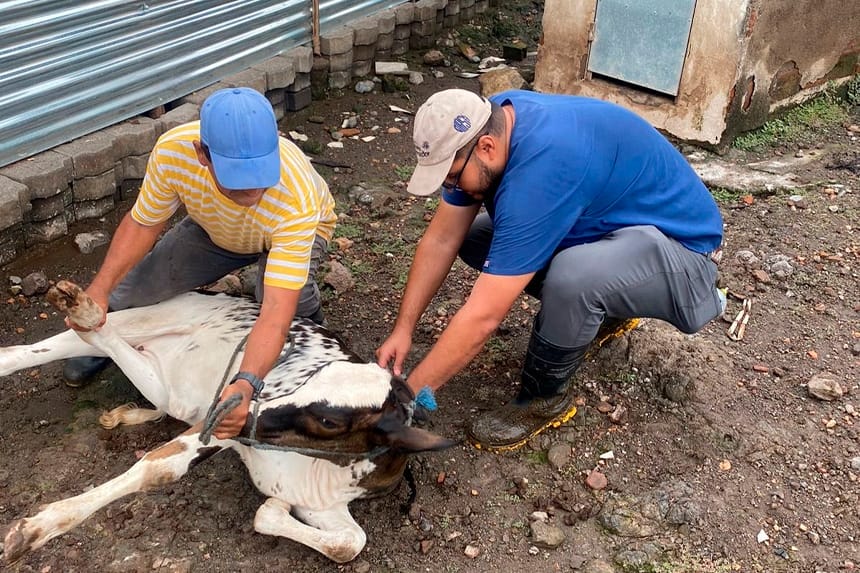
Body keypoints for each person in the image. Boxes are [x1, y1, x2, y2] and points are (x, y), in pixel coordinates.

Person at [376, 88, 724, 452]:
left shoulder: (542, 171)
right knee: (476, 238)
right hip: (619, 231)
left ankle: (542, 400)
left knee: (573, 278)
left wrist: (406, 397)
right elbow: (442, 239)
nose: (450, 188)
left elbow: (484, 317)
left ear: (487, 148)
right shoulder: (493, 119)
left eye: (451, 177)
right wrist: (404, 328)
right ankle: (599, 314)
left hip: (686, 257)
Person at [63, 87, 336, 439]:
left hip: (289, 233)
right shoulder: (174, 153)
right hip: (215, 229)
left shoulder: (295, 194)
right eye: (237, 180)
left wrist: (246, 384)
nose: (253, 191)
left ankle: (314, 323)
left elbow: (274, 311)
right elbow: (143, 225)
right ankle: (103, 339)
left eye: (260, 175)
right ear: (202, 154)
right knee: (135, 289)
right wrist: (99, 292)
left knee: (287, 307)